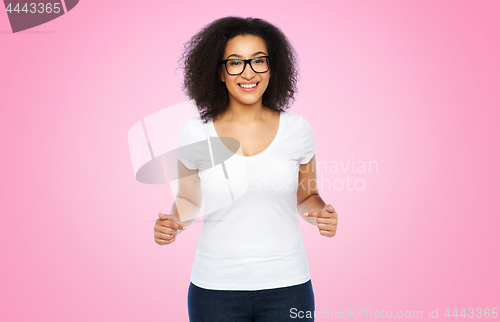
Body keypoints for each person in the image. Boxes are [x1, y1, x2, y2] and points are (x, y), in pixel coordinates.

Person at [153, 16, 339, 322]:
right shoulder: (195, 132)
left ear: (272, 68)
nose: (248, 72)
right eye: (236, 62)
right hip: (214, 289)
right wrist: (172, 223)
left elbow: (307, 197)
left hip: (288, 285)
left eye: (258, 61)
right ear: (219, 72)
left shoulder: (298, 130)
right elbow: (188, 199)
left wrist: (321, 214)